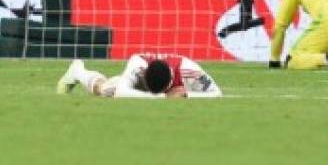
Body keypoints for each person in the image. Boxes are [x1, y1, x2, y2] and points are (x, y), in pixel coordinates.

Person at [56, 53, 222, 98]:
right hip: (134, 86)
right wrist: (164, 98)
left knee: (112, 88)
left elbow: (217, 94)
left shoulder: (189, 70)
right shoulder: (138, 64)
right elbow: (121, 93)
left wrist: (187, 94)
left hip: (170, 87)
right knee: (106, 90)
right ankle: (77, 71)